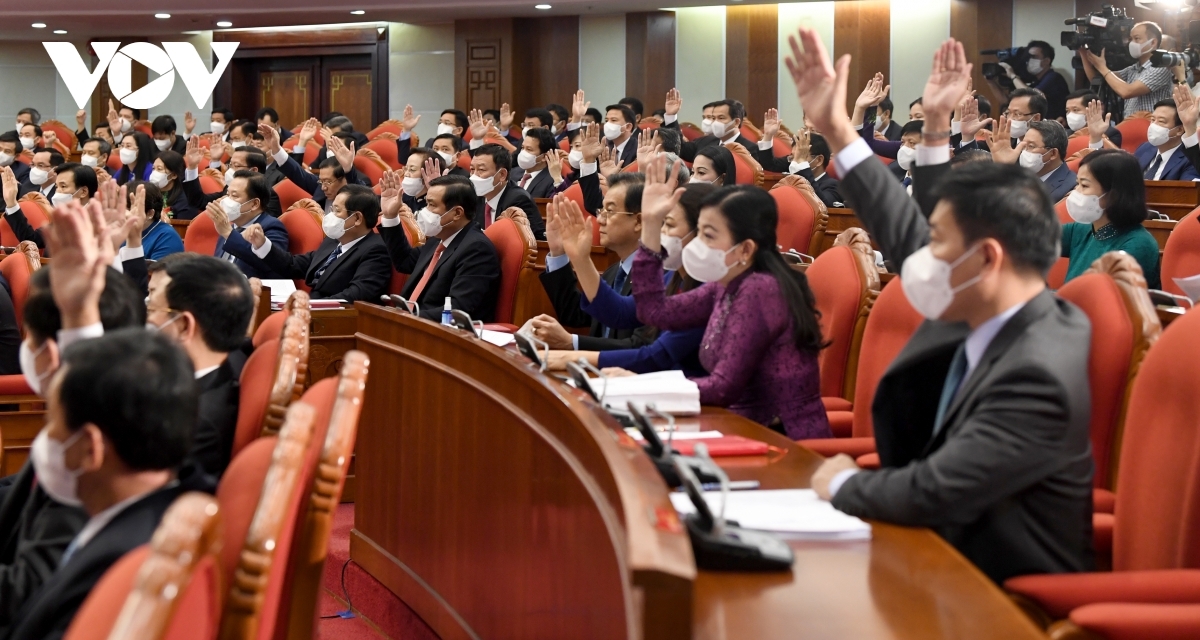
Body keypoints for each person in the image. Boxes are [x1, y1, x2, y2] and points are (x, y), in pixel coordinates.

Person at [791, 31, 1093, 584]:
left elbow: (936, 492)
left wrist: (841, 483)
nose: (921, 255)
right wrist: (838, 129)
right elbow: (903, 221)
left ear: (987, 259)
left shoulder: (1038, 369)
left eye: (938, 243)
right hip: (930, 552)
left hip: (996, 587)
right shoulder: (987, 296)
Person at [622, 181, 830, 439]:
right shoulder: (726, 284)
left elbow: (723, 387)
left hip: (782, 441)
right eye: (698, 233)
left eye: (708, 236)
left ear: (745, 249)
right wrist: (651, 228)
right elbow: (654, 311)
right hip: (737, 426)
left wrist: (643, 387)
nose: (697, 244)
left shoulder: (760, 289)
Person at [544, 164, 712, 376]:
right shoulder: (674, 275)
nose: (660, 232)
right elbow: (619, 312)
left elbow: (656, 355)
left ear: (701, 234)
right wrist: (579, 258)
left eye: (667, 224)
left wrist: (572, 355)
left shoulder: (709, 288)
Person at [146, 254, 254, 478]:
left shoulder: (196, 423)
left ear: (185, 325)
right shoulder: (224, 362)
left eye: (153, 310)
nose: (148, 321)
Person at [530, 173, 654, 352]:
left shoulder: (658, 277)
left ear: (638, 221)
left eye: (609, 211)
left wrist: (572, 343)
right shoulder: (614, 272)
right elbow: (574, 314)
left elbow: (640, 347)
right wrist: (557, 251)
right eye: (601, 211)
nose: (600, 220)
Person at [240, 184, 393, 303]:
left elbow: (355, 296)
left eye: (337, 211)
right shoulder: (333, 240)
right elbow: (294, 265)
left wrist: (309, 305)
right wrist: (262, 244)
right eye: (331, 209)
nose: (330, 216)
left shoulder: (376, 250)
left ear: (357, 218)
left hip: (337, 321)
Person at [378, 173, 500, 321]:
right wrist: (390, 216)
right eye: (427, 204)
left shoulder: (477, 250)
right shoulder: (438, 239)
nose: (425, 211)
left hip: (439, 331)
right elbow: (404, 261)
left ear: (457, 213)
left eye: (432, 205)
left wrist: (405, 318)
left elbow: (457, 310)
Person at [1061, 150, 1161, 289]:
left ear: (1114, 194)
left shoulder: (1139, 244)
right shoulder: (1081, 229)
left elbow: (1100, 295)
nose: (1075, 192)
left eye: (1084, 185)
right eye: (1077, 184)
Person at [204, 171, 289, 279]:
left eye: (234, 196)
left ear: (254, 204)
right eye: (228, 194)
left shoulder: (272, 227)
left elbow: (271, 264)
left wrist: (228, 233)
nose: (227, 201)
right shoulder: (229, 226)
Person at [1080, 21, 1174, 118]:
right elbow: (1096, 79)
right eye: (1130, 39)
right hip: (1131, 124)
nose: (1131, 43)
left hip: (1151, 124)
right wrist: (1083, 52)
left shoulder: (1161, 67)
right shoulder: (1133, 69)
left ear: (1153, 42)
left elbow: (1127, 92)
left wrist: (1102, 67)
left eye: (1137, 38)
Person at [2, 163, 97, 250]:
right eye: (56, 187)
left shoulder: (98, 221)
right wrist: (11, 202)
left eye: (63, 186)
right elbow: (32, 240)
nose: (58, 191)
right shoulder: (63, 218)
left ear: (83, 192)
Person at [988, 118, 1076, 202]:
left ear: (1053, 153)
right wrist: (1002, 167)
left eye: (1031, 146)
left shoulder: (1071, 187)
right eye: (1023, 146)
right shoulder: (1016, 174)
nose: (1023, 151)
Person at [468, 144, 545, 239]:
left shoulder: (518, 200)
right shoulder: (474, 197)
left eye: (481, 169)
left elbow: (531, 241)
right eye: (472, 169)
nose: (474, 175)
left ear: (502, 174)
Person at [997, 40, 1069, 121]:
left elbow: (1032, 96)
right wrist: (991, 82)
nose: (1029, 60)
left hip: (1053, 125)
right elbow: (1006, 102)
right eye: (1028, 57)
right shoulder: (1034, 80)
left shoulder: (1053, 77)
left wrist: (1013, 76)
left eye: (1034, 57)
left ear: (1046, 61)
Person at [1132, 99, 1199, 181]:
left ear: (1179, 130)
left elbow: (1190, 186)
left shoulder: (1190, 159)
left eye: (1161, 121)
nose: (1153, 125)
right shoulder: (1145, 148)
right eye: (1152, 119)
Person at [510, 128, 560, 199]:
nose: (523, 152)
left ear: (544, 156)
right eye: (522, 148)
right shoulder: (512, 172)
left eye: (529, 149)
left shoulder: (553, 181)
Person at [147, 150, 197, 221]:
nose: (154, 173)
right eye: (153, 168)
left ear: (174, 175)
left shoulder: (186, 201)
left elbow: (183, 225)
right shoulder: (148, 194)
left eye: (159, 169)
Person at [603, 104, 639, 168]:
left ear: (628, 127)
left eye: (613, 120)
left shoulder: (638, 150)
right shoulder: (604, 147)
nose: (608, 124)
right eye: (606, 120)